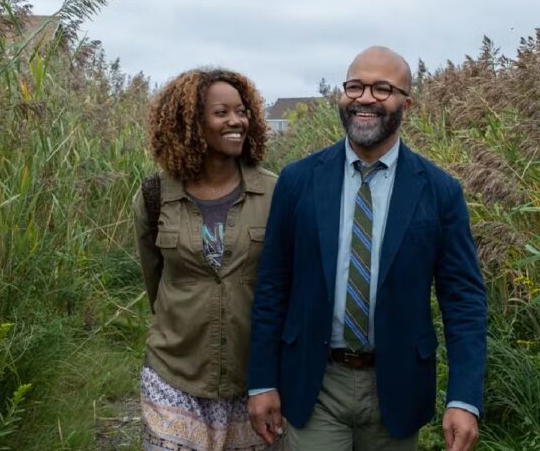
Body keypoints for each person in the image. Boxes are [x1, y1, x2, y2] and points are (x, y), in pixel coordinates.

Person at [246, 46, 488, 451]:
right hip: (315, 380)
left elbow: (463, 300)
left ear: (406, 103)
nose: (365, 98)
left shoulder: (439, 191)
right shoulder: (298, 180)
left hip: (396, 383)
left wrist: (464, 398)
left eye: (382, 89)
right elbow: (272, 286)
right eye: (355, 86)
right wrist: (262, 380)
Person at [133, 68, 283, 450]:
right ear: (191, 123)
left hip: (252, 378)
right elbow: (156, 281)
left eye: (242, 111)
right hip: (174, 371)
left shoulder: (275, 193)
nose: (236, 121)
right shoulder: (155, 196)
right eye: (221, 113)